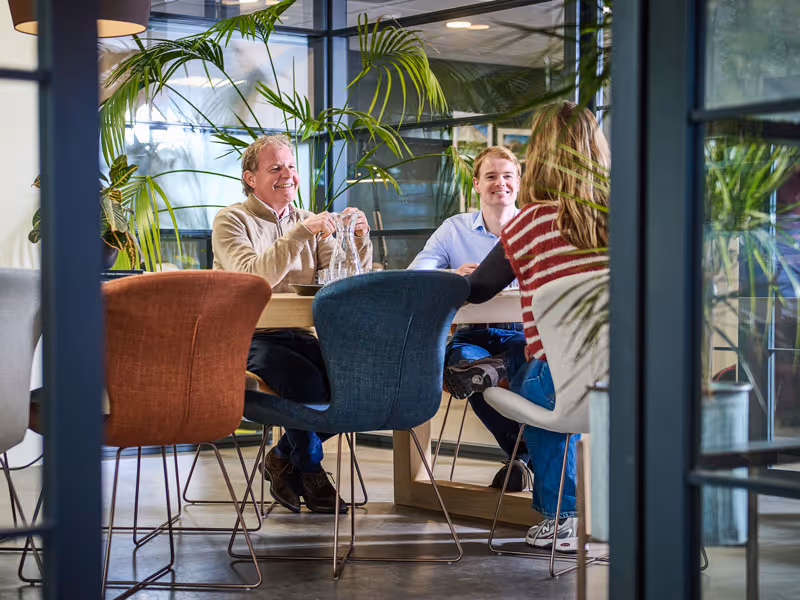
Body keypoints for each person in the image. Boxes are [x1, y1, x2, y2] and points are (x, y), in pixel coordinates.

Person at [445, 102, 610, 552]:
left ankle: (563, 517)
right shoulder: (627, 213)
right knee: (529, 365)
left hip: (560, 376)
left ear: (537, 158)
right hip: (631, 372)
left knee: (539, 386)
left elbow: (479, 290)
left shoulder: (529, 224)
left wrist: (459, 277)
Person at [212, 134, 373, 514]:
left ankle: (282, 457)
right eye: (275, 168)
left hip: (301, 332)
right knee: (304, 382)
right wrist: (300, 233)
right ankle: (310, 468)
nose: (288, 175)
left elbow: (344, 277)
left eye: (291, 166)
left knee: (356, 384)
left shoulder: (307, 222)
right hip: (248, 335)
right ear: (250, 178)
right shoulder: (232, 220)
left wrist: (359, 239)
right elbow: (254, 279)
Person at [408, 145, 530, 491]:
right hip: (472, 335)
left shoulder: (530, 228)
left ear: (518, 183)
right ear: (476, 184)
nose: (499, 183)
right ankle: (525, 455)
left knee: (508, 365)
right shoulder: (454, 229)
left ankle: (520, 456)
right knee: (466, 369)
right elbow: (416, 273)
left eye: (507, 176)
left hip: (521, 334)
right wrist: (452, 273)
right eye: (490, 176)